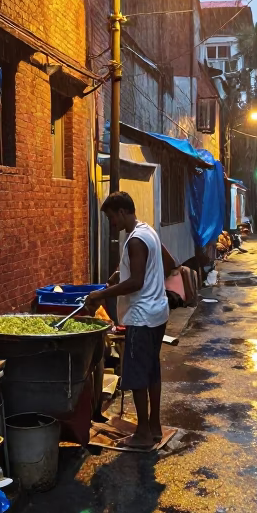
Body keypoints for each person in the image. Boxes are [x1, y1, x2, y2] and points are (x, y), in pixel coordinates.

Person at [85, 192, 176, 448]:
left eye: (113, 217)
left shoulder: (136, 240)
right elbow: (167, 263)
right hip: (158, 313)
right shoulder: (148, 232)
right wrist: (117, 275)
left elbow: (136, 282)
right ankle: (155, 426)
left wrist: (102, 294)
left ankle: (144, 434)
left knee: (137, 376)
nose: (113, 223)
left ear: (123, 212)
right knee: (152, 371)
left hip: (141, 316)